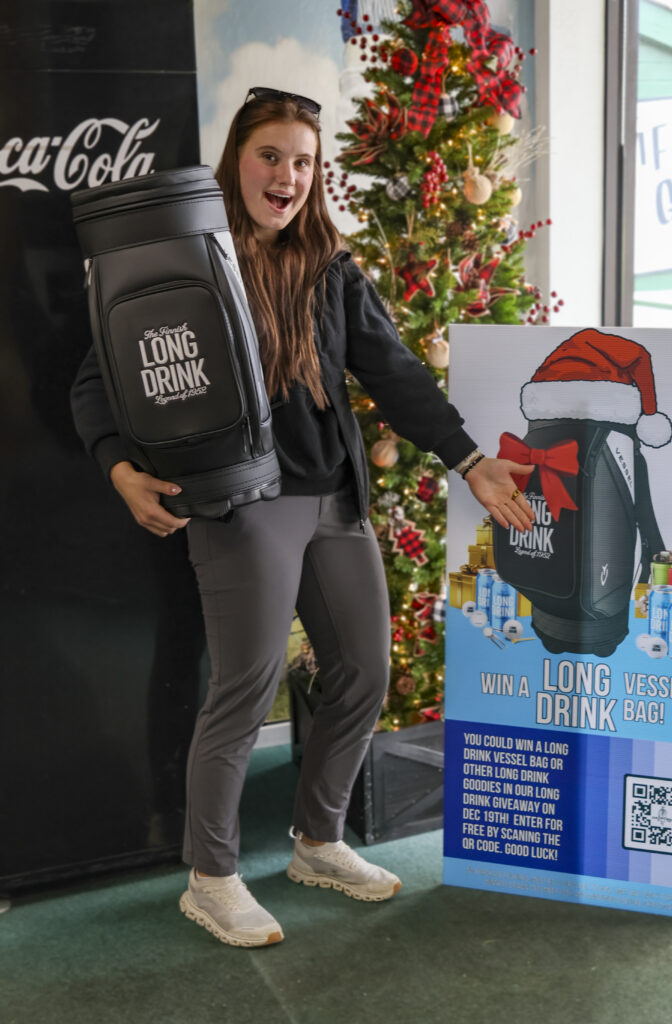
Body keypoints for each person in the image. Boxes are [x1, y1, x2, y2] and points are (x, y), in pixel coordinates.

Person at [70, 86, 535, 949]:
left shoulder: (329, 264)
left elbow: (395, 373)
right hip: (243, 502)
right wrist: (121, 471)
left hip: (332, 496)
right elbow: (96, 382)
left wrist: (468, 458)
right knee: (244, 688)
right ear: (235, 163)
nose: (287, 175)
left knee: (363, 667)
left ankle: (317, 843)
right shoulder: (182, 260)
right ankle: (209, 879)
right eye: (269, 155)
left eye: (303, 161)